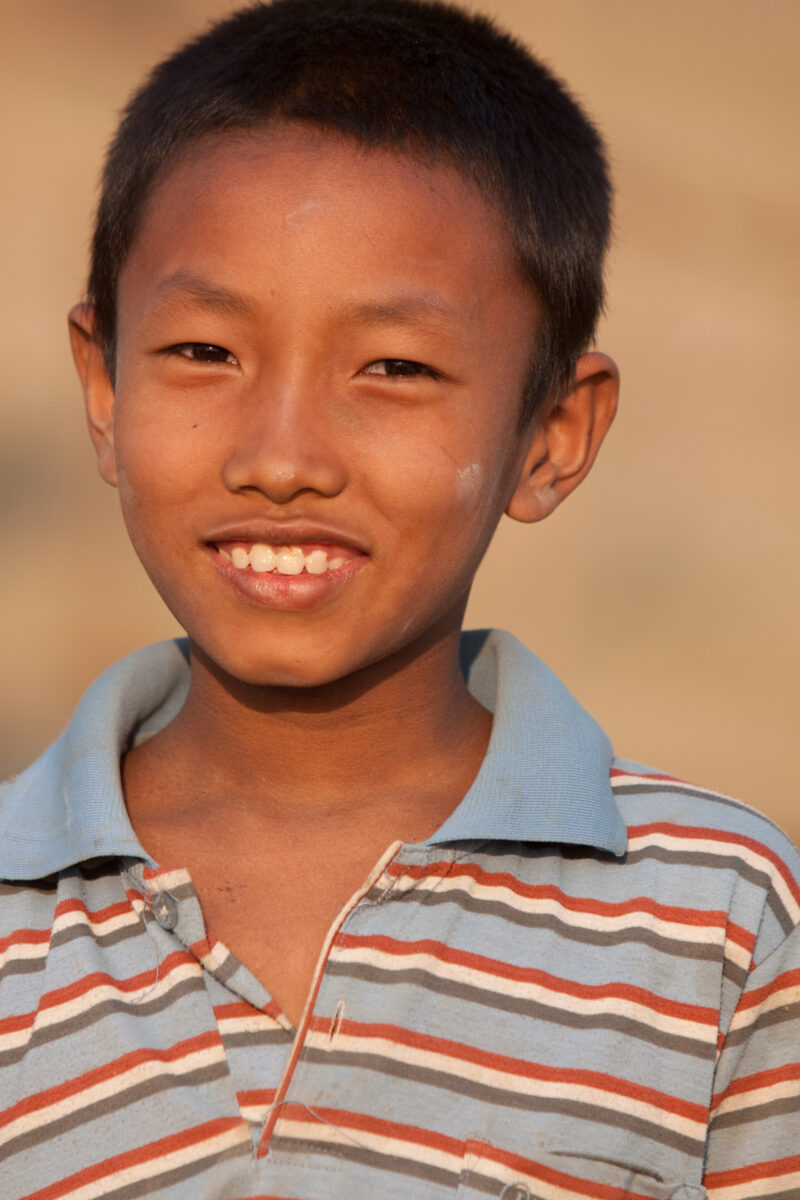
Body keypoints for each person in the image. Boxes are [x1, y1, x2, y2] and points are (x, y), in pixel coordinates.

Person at [0, 0, 797, 1196]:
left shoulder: (713, 916)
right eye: (204, 353)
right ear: (103, 389)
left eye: (395, 369)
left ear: (550, 434)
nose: (280, 456)